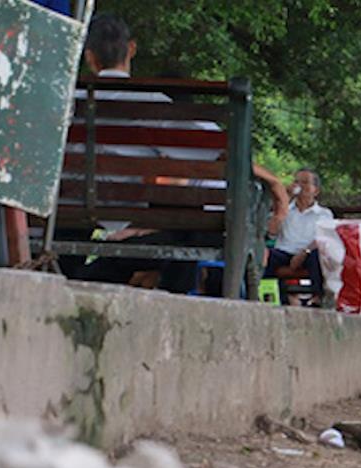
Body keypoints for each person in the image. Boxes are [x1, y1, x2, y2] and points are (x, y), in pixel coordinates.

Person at [61, 14, 287, 292]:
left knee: (70, 218)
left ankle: (67, 277)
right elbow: (223, 150)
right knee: (181, 224)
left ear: (89, 56)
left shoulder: (64, 103)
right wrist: (274, 182)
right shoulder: (153, 106)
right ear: (131, 49)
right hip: (129, 213)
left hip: (66, 213)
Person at [265, 168, 333, 302]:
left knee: (317, 256)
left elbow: (323, 238)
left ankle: (318, 298)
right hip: (284, 252)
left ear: (316, 190)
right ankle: (264, 295)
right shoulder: (285, 210)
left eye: (305, 182)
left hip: (308, 253)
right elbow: (271, 232)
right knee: (265, 256)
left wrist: (304, 253)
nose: (300, 186)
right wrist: (285, 200)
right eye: (297, 182)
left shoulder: (324, 214)